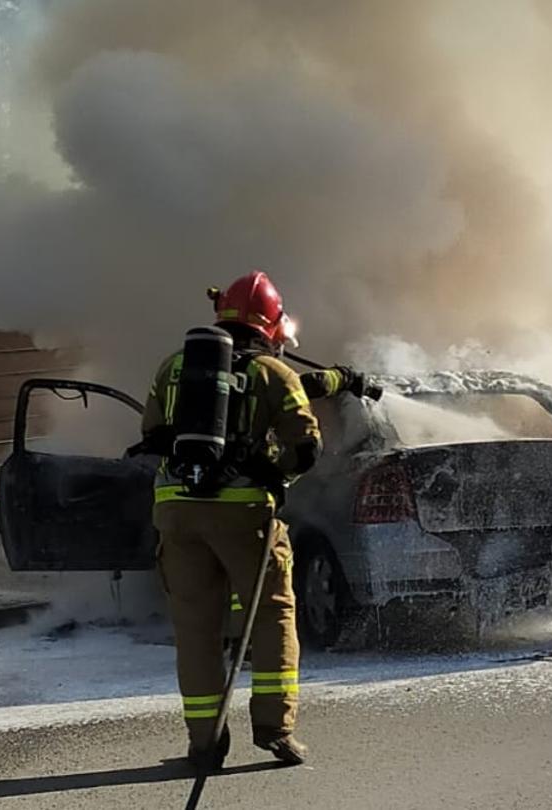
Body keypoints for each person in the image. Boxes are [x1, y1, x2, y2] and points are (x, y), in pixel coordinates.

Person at [137, 270, 358, 772]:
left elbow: (151, 431)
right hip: (244, 515)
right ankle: (275, 731)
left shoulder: (172, 367)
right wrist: (275, 476)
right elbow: (306, 445)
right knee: (272, 617)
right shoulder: (271, 375)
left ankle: (204, 744)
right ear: (271, 324)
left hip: (175, 511)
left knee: (195, 630)